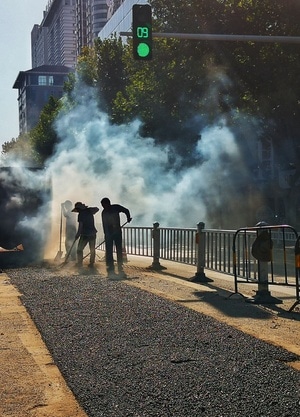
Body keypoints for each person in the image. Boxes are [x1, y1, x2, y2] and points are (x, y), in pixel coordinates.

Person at [100, 197, 132, 276]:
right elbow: (105, 225)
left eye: (104, 205)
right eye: (102, 205)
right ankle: (110, 265)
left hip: (117, 232)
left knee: (119, 249)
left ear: (108, 203)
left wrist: (128, 218)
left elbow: (126, 210)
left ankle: (120, 265)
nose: (103, 207)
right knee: (109, 250)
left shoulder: (116, 207)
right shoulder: (104, 212)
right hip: (109, 234)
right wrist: (106, 234)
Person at [72, 202, 99, 268]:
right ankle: (91, 263)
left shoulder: (81, 215)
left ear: (78, 209)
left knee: (79, 249)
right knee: (92, 249)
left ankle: (79, 263)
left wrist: (78, 234)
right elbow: (97, 209)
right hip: (93, 233)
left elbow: (80, 226)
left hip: (85, 235)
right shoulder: (89, 211)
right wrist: (88, 209)